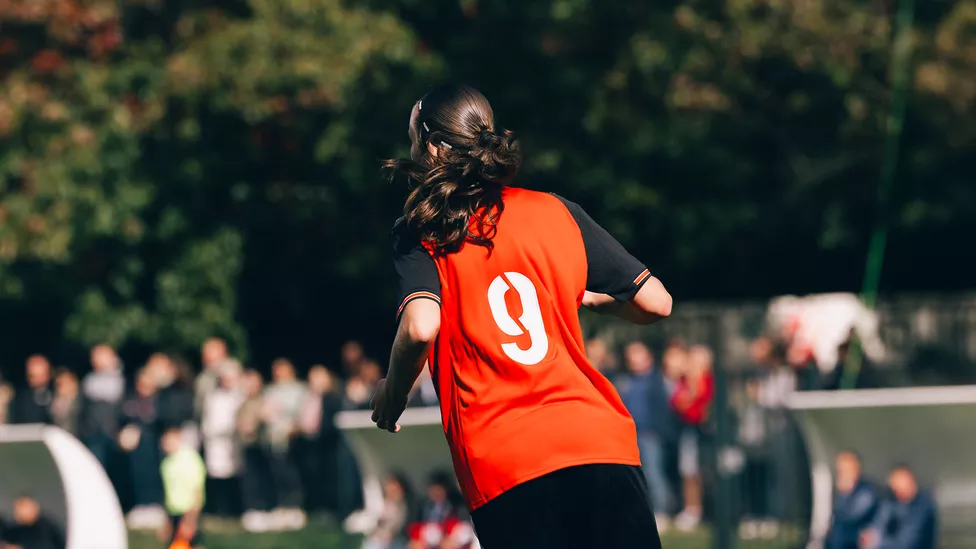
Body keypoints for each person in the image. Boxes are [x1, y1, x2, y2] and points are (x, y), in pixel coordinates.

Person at [369, 84, 672, 549]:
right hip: (600, 443)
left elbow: (421, 325)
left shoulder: (422, 231)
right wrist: (591, 299)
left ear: (430, 145)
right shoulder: (555, 209)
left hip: (508, 462)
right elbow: (656, 302)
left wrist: (392, 397)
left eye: (412, 135)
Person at [614, 341, 676, 530]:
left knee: (654, 473)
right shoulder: (625, 381)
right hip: (630, 435)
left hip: (650, 434)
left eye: (637, 354)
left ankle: (662, 511)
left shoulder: (657, 380)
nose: (632, 359)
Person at [861, 466, 937, 549]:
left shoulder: (923, 506)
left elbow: (907, 543)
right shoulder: (891, 502)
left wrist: (878, 542)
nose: (895, 489)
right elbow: (878, 524)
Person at [159, 426, 206, 549]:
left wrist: (190, 519)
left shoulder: (190, 459)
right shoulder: (166, 463)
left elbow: (197, 489)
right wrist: (166, 521)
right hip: (173, 512)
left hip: (189, 511)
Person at [825, 451, 879, 549]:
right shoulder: (835, 490)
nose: (842, 472)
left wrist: (843, 493)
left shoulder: (867, 491)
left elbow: (850, 516)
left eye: (845, 468)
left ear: (855, 468)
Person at [7, 355, 54, 425]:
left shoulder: (57, 396)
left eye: (41, 375)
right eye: (33, 376)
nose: (37, 380)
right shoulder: (20, 401)